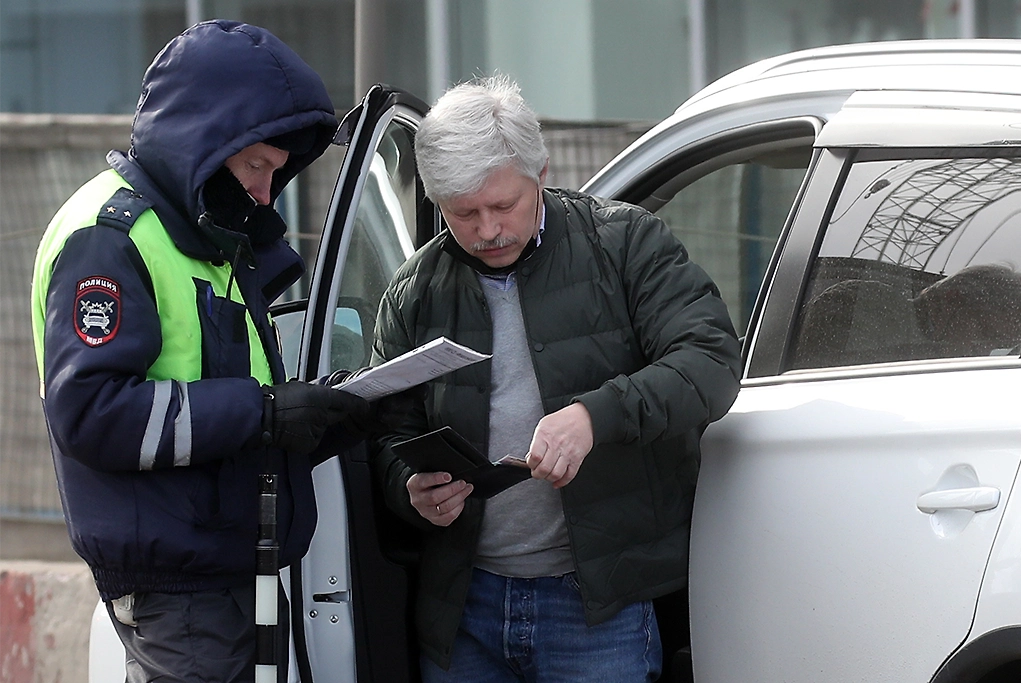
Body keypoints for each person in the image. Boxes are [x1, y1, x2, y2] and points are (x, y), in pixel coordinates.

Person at [370, 75, 742, 681]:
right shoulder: (415, 293)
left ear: (540, 174)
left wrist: (597, 415)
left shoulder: (623, 243)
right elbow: (387, 430)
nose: (488, 229)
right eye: (464, 214)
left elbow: (710, 361)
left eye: (503, 205)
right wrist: (408, 487)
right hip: (464, 607)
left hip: (599, 605)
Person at [30, 20, 370, 682]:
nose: (267, 193)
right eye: (257, 168)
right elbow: (94, 413)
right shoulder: (109, 237)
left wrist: (323, 412)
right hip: (178, 590)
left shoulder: (202, 238)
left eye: (277, 172)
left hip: (213, 575)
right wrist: (267, 411)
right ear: (207, 146)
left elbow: (220, 402)